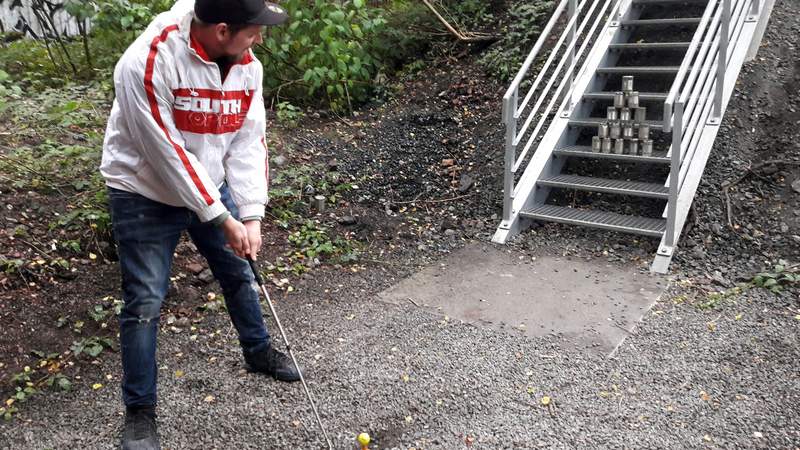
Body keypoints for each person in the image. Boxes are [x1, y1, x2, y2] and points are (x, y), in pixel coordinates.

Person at [100, 0, 296, 448]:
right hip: (143, 188)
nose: (260, 39)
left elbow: (248, 142)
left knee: (239, 272)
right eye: (254, 30)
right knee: (145, 299)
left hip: (210, 185)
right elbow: (166, 155)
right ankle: (140, 412)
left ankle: (258, 350)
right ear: (222, 30)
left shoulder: (247, 66)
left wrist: (250, 215)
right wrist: (221, 217)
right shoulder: (145, 62)